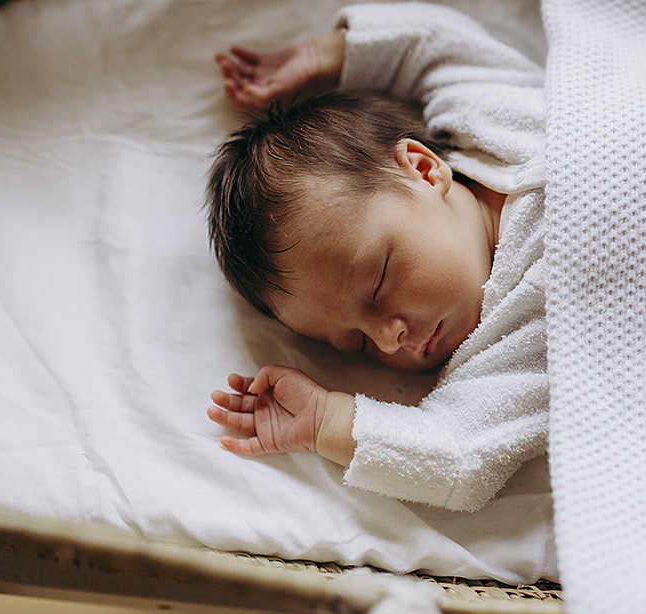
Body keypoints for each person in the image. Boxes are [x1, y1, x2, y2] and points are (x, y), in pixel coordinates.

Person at [207, 2, 548, 512]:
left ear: (422, 168)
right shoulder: (509, 344)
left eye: (378, 284)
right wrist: (326, 422)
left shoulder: (489, 119)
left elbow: (432, 44)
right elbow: (456, 456)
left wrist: (325, 54)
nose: (391, 338)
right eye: (358, 346)